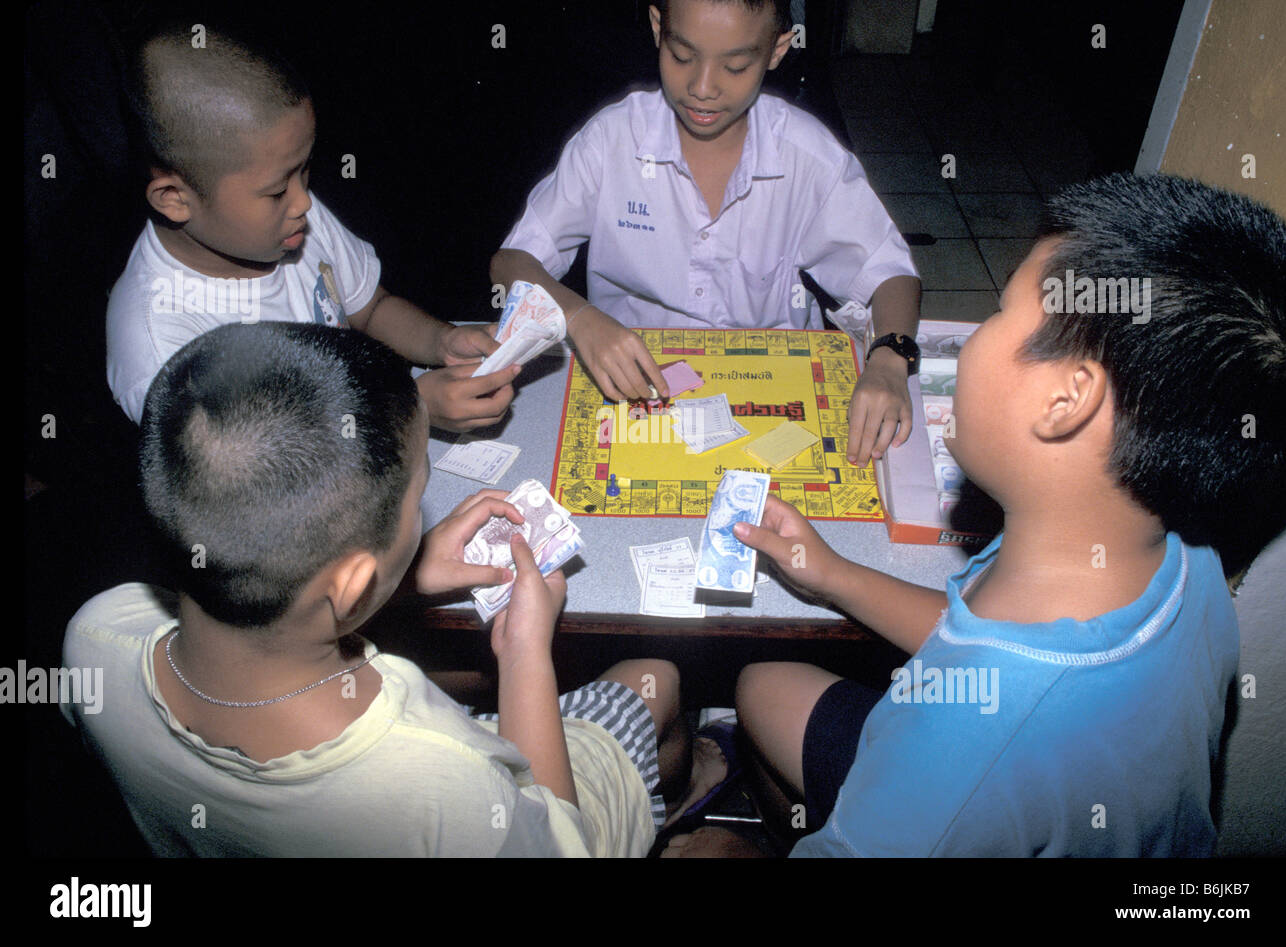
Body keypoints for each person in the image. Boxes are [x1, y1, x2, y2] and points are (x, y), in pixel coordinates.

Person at [728, 173, 1286, 856]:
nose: (974, 336)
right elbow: (975, 647)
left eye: (998, 314)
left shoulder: (953, 754)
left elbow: (979, 714)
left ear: (1067, 400)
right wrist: (833, 574)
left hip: (939, 785)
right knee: (763, 686)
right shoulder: (1186, 562)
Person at [63, 321, 726, 856]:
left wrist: (401, 578)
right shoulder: (437, 772)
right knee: (655, 677)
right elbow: (559, 842)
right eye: (419, 498)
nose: (425, 510)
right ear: (350, 584)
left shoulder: (93, 634)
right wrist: (526, 653)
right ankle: (689, 790)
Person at [491, 0, 922, 465]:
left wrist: (889, 359)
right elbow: (511, 263)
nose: (701, 88)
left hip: (773, 386)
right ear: (658, 28)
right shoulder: (611, 140)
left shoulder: (806, 154)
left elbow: (890, 273)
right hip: (636, 379)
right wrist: (578, 318)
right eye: (682, 57)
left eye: (735, 66)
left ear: (778, 51)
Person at [107, 23, 517, 435]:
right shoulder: (161, 346)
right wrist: (410, 409)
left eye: (304, 171)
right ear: (175, 199)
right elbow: (262, 475)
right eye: (276, 190)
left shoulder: (288, 218)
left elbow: (370, 308)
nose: (304, 201)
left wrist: (440, 342)